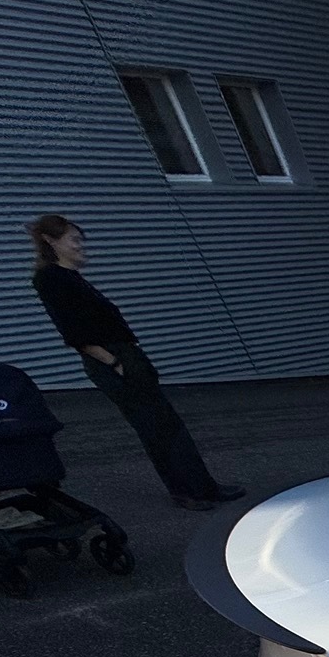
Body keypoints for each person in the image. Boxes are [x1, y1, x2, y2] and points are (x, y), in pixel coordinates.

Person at [26, 214, 242, 511]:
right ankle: (186, 492)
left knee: (168, 423)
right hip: (111, 359)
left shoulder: (71, 278)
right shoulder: (51, 279)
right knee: (154, 428)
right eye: (73, 239)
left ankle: (204, 487)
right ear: (51, 241)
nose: (80, 245)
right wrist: (113, 362)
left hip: (124, 355)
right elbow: (72, 330)